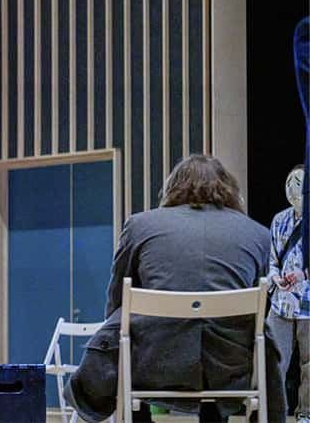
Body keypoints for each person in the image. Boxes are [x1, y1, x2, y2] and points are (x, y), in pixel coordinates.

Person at [64, 154, 286, 423]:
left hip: (153, 363)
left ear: (173, 186)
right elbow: (260, 311)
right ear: (229, 188)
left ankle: (138, 415)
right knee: (237, 331)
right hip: (231, 368)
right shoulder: (258, 234)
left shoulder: (140, 225)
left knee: (124, 323)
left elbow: (116, 299)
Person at [267, 164, 308, 423]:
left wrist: (304, 275)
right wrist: (275, 278)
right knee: (274, 363)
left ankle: (306, 413)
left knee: (309, 365)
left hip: (307, 302)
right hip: (280, 303)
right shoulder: (279, 220)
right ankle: (274, 413)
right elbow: (271, 259)